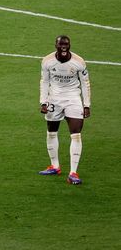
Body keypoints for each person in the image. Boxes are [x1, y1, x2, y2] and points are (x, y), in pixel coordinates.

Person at [38, 35, 91, 185]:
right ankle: (55, 166)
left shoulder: (79, 62)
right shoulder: (47, 61)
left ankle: (73, 172)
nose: (63, 47)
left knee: (76, 133)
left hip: (73, 98)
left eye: (66, 44)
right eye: (61, 44)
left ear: (69, 46)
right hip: (54, 99)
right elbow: (44, 81)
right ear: (56, 45)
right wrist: (43, 101)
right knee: (51, 131)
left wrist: (86, 104)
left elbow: (85, 83)